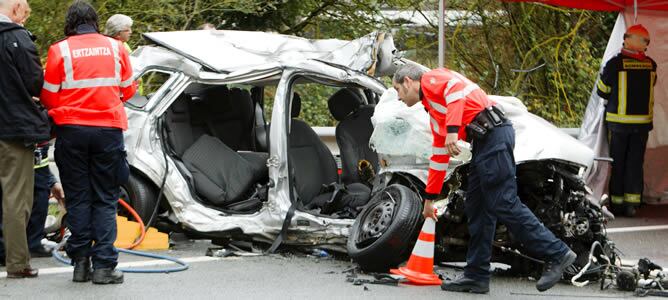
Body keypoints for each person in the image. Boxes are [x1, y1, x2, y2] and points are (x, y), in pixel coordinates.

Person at [392, 64, 576, 294]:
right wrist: (430, 199)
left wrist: (452, 130)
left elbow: (455, 89)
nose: (398, 97)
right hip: (483, 142)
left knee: (503, 202)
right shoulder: (434, 111)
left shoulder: (432, 79)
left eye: (397, 89)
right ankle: (476, 276)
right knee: (477, 207)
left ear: (408, 81)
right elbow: (439, 156)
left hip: (494, 136)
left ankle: (557, 253)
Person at [41, 0, 137, 284]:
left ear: (70, 22)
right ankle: (105, 266)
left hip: (72, 131)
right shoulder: (115, 47)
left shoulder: (59, 49)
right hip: (108, 130)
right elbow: (128, 89)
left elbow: (48, 96)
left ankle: (80, 264)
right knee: (106, 199)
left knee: (79, 198)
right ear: (95, 21)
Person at [0, 0, 50, 278]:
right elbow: (35, 82)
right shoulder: (17, 38)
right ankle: (17, 263)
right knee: (16, 198)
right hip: (13, 128)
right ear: (17, 7)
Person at [596, 24, 656, 217]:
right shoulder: (651, 65)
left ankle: (618, 203)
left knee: (618, 162)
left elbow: (602, 91)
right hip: (642, 125)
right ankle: (633, 203)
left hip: (619, 124)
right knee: (635, 163)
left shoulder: (615, 64)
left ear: (627, 40)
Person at [0, 142, 66, 265]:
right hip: (25, 140)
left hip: (33, 145)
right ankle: (13, 250)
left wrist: (51, 180)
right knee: (15, 201)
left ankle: (29, 244)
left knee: (36, 193)